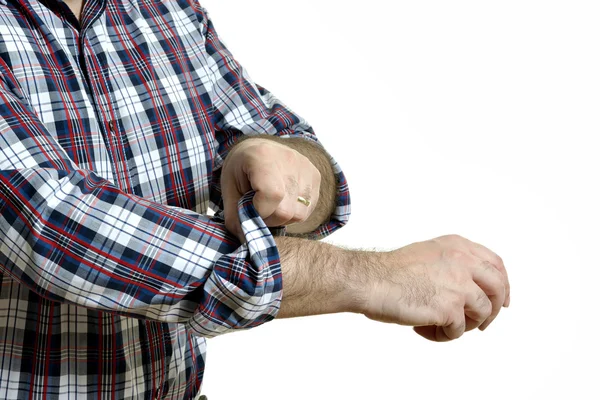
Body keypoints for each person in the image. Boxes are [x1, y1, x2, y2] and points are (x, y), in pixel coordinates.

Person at [0, 0, 511, 398]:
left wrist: (270, 157)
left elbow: (294, 146)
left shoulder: (164, 9)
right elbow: (52, 225)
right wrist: (373, 276)